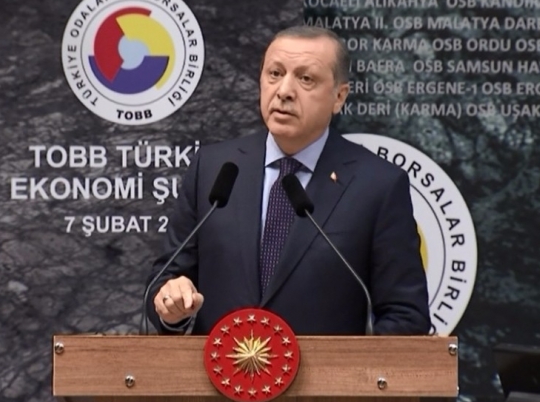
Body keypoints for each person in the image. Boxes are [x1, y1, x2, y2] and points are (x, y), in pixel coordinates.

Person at [146, 25, 431, 335]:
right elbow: (164, 283)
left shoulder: (378, 185)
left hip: (327, 368)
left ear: (339, 96)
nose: (284, 91)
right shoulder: (214, 169)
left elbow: (406, 317)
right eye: (275, 73)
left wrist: (349, 365)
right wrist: (171, 306)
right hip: (216, 366)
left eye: (306, 78)